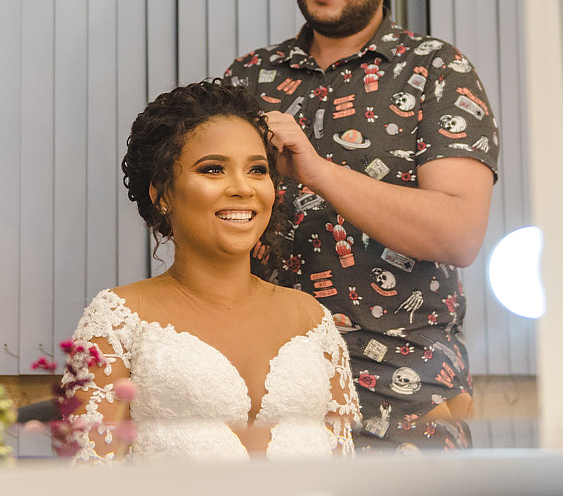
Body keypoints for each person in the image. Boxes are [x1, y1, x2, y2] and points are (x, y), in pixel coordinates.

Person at [223, 0, 499, 452]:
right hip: (265, 395)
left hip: (404, 402)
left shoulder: (438, 71)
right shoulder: (248, 78)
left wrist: (319, 172)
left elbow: (459, 233)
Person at [60, 81, 360, 462]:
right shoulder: (116, 321)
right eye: (214, 169)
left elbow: (343, 474)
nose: (243, 188)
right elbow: (89, 479)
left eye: (257, 170)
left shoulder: (312, 319)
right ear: (162, 194)